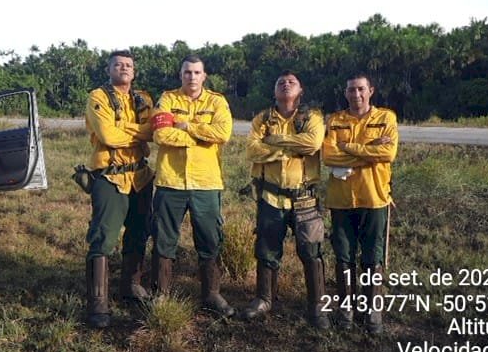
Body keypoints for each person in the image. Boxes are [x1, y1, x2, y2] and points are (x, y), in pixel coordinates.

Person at [241, 71, 329, 329]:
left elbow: (312, 144)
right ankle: (264, 299)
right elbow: (252, 150)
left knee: (311, 252)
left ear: (300, 90)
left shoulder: (312, 117)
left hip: (304, 199)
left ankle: (317, 307)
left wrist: (274, 141)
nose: (285, 84)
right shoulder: (262, 119)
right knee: (267, 250)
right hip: (270, 196)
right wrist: (288, 148)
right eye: (280, 82)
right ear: (274, 91)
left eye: (291, 82)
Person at [150, 55, 235, 317]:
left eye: (197, 72)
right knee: (164, 240)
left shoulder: (217, 101)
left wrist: (187, 126)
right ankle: (160, 295)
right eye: (187, 72)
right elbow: (160, 134)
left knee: (209, 239)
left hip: (206, 182)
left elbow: (222, 133)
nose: (192, 77)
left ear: (204, 76)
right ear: (180, 74)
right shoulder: (167, 99)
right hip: (170, 182)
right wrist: (198, 138)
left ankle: (211, 294)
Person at [322, 74, 398, 333]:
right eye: (351, 90)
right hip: (341, 199)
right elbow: (328, 155)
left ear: (371, 91)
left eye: (361, 89)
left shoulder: (385, 118)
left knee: (372, 256)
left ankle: (371, 309)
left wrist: (350, 148)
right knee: (343, 256)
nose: (356, 94)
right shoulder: (335, 120)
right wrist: (369, 151)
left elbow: (388, 153)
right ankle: (346, 307)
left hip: (374, 197)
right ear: (345, 93)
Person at [84, 50, 154, 328]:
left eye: (128, 65)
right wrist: (137, 130)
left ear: (134, 72)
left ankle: (131, 287)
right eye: (118, 64)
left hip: (140, 177)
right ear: (109, 69)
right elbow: (109, 137)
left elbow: (154, 132)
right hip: (109, 177)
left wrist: (125, 127)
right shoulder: (97, 97)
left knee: (139, 233)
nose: (123, 68)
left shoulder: (144, 99)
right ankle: (98, 302)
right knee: (103, 238)